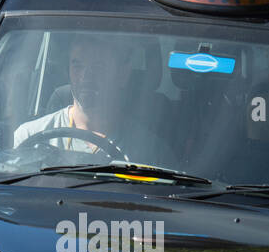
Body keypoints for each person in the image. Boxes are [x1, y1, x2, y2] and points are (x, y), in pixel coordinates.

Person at [13, 37, 175, 163]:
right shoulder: (29, 137)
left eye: (99, 67)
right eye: (78, 66)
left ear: (123, 74)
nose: (86, 77)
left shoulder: (151, 151)